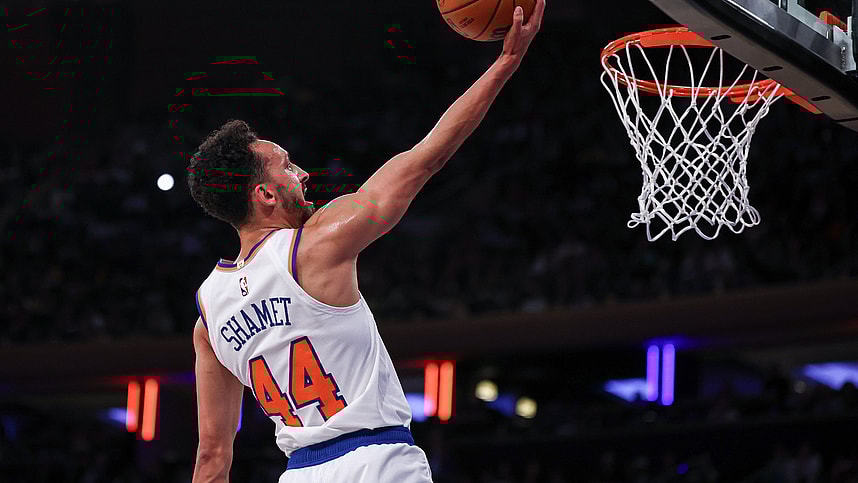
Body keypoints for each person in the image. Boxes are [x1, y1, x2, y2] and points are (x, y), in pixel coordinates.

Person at [188, 2, 545, 482]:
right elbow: (424, 160)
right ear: (265, 194)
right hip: (376, 463)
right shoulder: (314, 246)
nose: (303, 173)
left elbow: (212, 458)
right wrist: (504, 66)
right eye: (288, 166)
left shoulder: (208, 317)